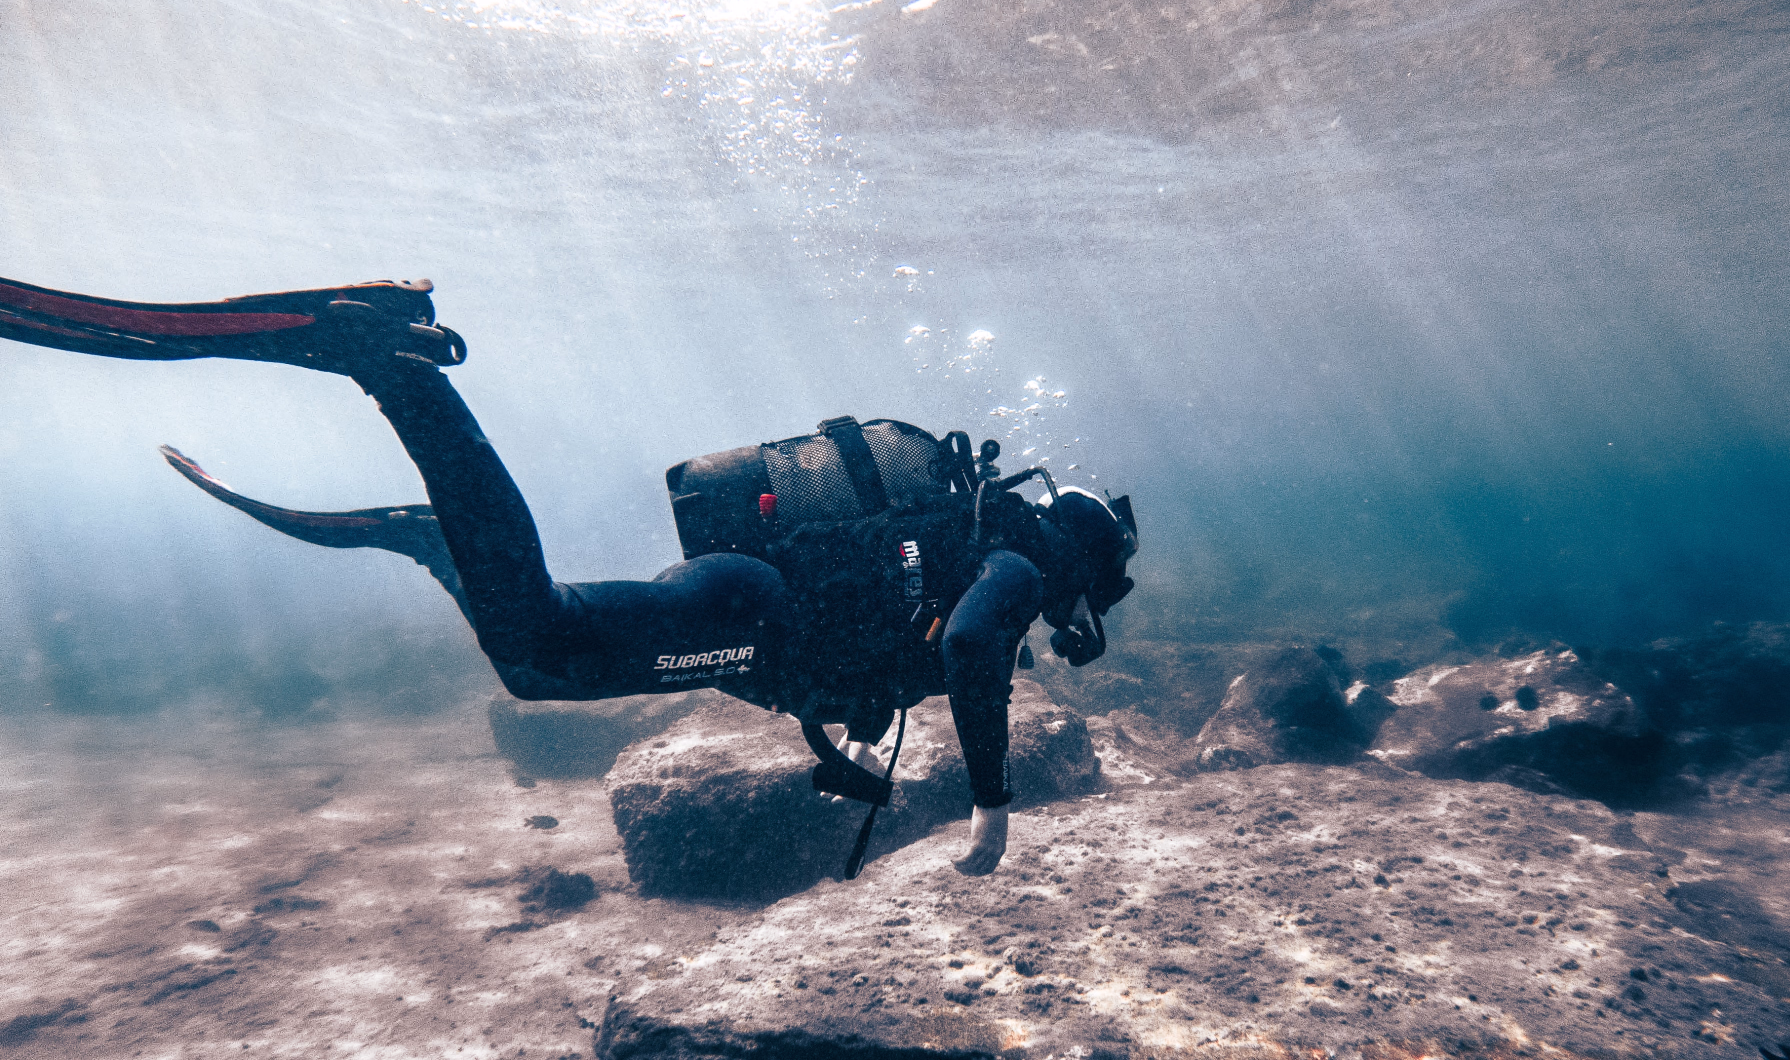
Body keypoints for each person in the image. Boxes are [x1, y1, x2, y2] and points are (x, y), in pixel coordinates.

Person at [0, 274, 1138, 876]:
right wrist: (992, 807)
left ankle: (438, 530)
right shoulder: (1017, 561)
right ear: (1082, 558)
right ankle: (393, 367)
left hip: (753, 614)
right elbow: (973, 645)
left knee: (535, 668)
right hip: (752, 616)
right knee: (540, 642)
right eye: (1106, 591)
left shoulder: (979, 537)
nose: (1090, 617)